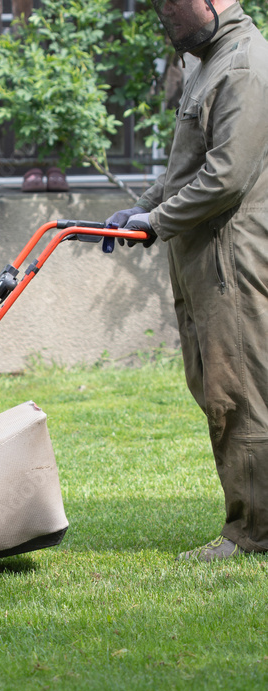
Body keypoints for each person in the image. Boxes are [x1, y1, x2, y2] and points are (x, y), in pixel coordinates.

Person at [107, 1, 268, 561]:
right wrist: (140, 209)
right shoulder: (205, 61)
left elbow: (226, 176)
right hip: (196, 255)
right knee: (214, 389)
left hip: (230, 261)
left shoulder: (242, 65)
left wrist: (156, 222)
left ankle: (252, 534)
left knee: (237, 394)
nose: (164, 20)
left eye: (171, 7)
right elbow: (185, 169)